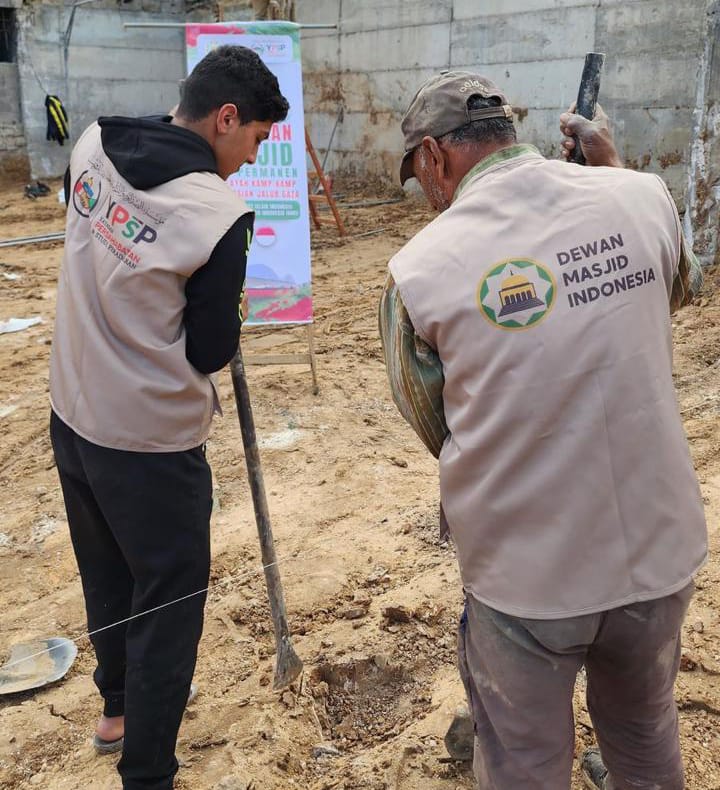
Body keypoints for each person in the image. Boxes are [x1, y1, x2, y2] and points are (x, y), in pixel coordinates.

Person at [379, 71, 707, 790]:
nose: (425, 196)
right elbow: (677, 291)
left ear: (435, 158)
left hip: (528, 580)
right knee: (645, 731)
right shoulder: (640, 195)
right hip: (658, 551)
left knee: (525, 763)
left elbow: (439, 427)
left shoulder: (419, 272)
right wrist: (612, 171)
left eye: (418, 177)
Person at [49, 45, 288, 790]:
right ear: (225, 119)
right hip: (150, 443)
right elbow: (212, 348)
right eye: (253, 140)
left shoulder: (91, 144)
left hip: (73, 416)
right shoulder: (217, 215)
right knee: (170, 597)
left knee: (107, 572)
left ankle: (117, 709)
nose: (250, 161)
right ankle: (147, 771)